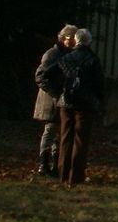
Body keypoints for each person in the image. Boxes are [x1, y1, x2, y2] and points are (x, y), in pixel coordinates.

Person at [56, 28, 106, 186]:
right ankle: (75, 176)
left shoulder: (66, 58)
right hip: (85, 104)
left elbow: (52, 75)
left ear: (75, 41)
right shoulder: (92, 59)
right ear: (89, 41)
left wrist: (58, 93)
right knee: (80, 140)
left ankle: (62, 173)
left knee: (65, 138)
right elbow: (99, 84)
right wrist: (98, 99)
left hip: (66, 102)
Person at [33, 24, 77, 177]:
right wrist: (56, 94)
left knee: (58, 133)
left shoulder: (67, 55)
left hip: (60, 99)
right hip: (51, 100)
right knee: (51, 131)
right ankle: (43, 165)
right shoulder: (52, 54)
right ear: (64, 38)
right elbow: (41, 77)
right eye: (72, 39)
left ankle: (54, 165)